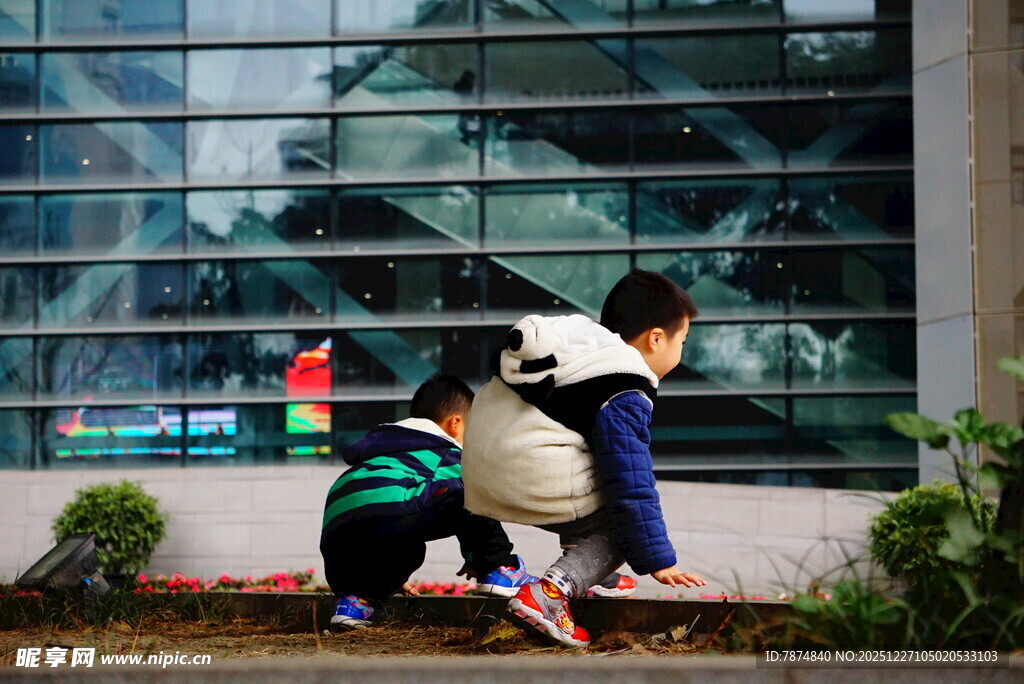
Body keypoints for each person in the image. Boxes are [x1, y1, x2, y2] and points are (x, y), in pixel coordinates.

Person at [462, 270, 709, 648]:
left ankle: (598, 576)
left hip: (479, 475)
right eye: (683, 341)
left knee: (585, 468)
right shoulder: (625, 382)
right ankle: (550, 593)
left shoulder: (581, 356)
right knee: (626, 523)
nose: (681, 352)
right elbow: (630, 479)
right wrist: (657, 558)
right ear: (657, 338)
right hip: (532, 471)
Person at [320, 374, 539, 629]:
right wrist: (481, 556)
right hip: (389, 509)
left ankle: (356, 603)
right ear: (456, 424)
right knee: (475, 485)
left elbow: (374, 513)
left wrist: (385, 575)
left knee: (408, 549)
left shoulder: (384, 450)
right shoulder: (442, 449)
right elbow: (469, 499)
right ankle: (499, 568)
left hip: (338, 530)